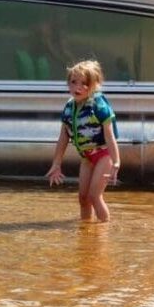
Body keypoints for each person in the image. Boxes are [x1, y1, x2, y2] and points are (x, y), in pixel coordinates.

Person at [45, 59, 119, 221]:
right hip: (87, 158)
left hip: (104, 155)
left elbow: (109, 135)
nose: (77, 87)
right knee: (83, 198)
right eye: (73, 82)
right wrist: (56, 164)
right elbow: (63, 137)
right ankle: (86, 234)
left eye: (84, 83)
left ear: (94, 85)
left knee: (94, 195)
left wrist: (116, 162)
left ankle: (103, 232)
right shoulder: (70, 107)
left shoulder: (98, 106)